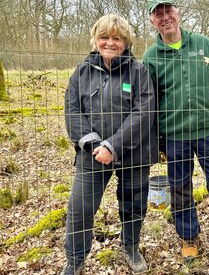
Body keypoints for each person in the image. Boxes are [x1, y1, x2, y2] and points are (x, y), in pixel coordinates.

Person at [142, 0, 209, 264]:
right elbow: (148, 101)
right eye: (158, 14)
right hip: (174, 136)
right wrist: (157, 141)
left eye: (169, 11)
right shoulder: (151, 57)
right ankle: (189, 237)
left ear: (178, 13)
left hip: (208, 131)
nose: (165, 17)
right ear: (153, 21)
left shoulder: (201, 43)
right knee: (180, 189)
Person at [62, 14, 158, 275]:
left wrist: (113, 146)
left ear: (126, 42)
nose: (110, 43)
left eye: (117, 38)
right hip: (91, 153)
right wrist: (93, 143)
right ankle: (75, 259)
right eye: (104, 37)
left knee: (134, 205)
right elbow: (72, 109)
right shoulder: (81, 72)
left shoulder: (139, 72)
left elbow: (143, 113)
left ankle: (130, 246)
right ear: (95, 39)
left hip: (134, 151)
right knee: (80, 208)